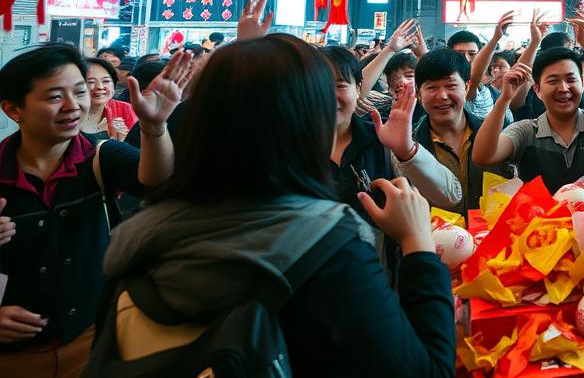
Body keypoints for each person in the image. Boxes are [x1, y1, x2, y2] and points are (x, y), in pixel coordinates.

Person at [94, 34, 456, 376]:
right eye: (318, 98)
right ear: (299, 121)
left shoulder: (137, 246)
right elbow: (428, 370)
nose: (331, 107)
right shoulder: (327, 253)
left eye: (340, 88)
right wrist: (417, 245)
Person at [0, 45, 183, 375]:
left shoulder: (101, 156)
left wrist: (155, 126)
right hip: (12, 358)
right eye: (55, 97)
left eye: (79, 91)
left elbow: (157, 180)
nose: (73, 106)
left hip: (89, 340)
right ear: (14, 110)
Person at [320, 46, 461, 249]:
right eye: (319, 85)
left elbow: (450, 195)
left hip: (379, 271)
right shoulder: (292, 146)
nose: (329, 96)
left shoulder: (382, 139)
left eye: (340, 85)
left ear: (359, 88)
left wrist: (407, 150)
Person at [473, 18, 584, 192]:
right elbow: (483, 155)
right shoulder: (526, 131)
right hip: (538, 219)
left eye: (571, 79)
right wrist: (504, 99)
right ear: (538, 90)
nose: (563, 88)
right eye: (553, 81)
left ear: (583, 82)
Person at [413, 48, 520, 214]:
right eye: (432, 88)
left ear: (467, 87)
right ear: (419, 93)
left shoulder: (496, 137)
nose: (442, 96)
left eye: (451, 86)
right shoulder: (411, 148)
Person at [81, 58, 136, 142]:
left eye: (106, 81)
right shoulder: (70, 115)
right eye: (91, 82)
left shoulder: (125, 108)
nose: (100, 87)